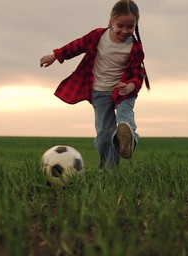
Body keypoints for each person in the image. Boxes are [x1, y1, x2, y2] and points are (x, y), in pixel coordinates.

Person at [40, 0, 150, 169]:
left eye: (130, 27)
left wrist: (130, 87)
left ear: (136, 25)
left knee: (124, 120)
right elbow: (76, 46)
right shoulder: (98, 36)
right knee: (104, 137)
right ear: (111, 21)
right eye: (120, 25)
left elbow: (137, 74)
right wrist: (56, 55)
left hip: (123, 92)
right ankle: (108, 171)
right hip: (100, 92)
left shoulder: (135, 48)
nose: (125, 31)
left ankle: (129, 141)